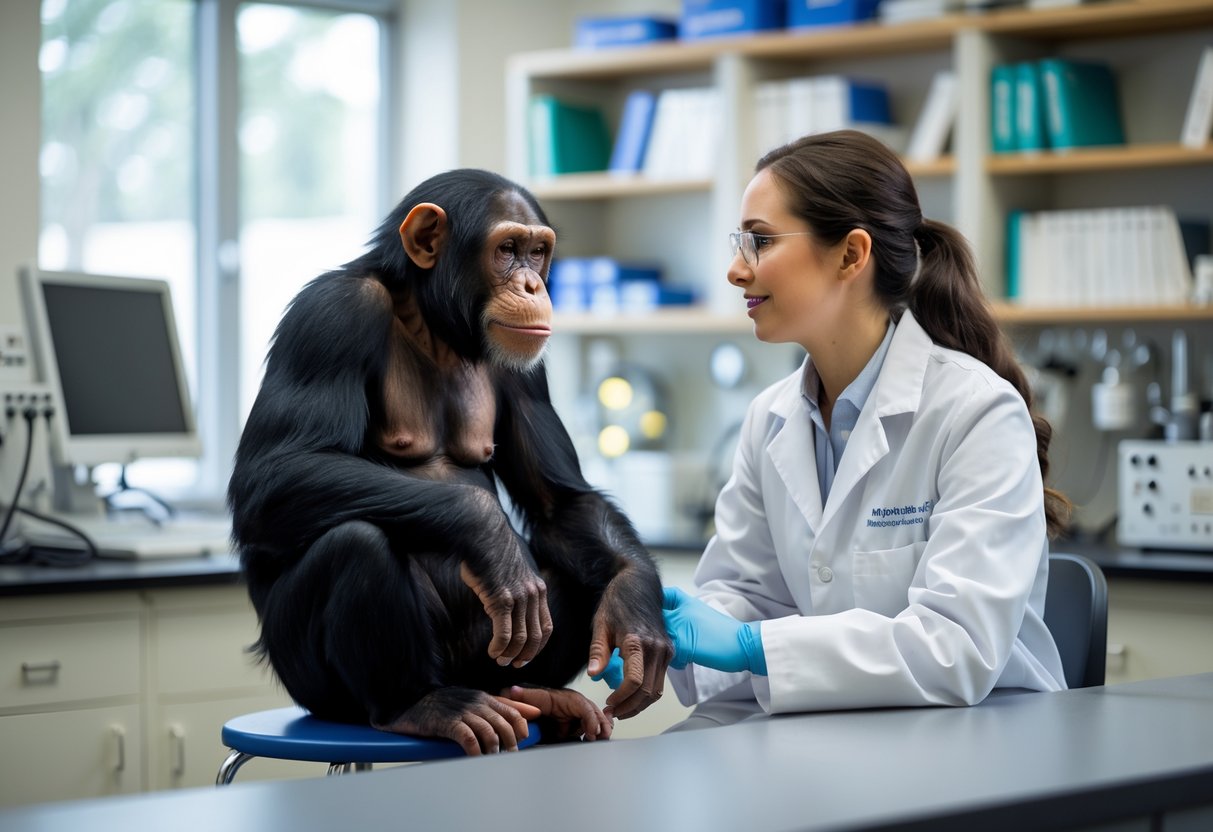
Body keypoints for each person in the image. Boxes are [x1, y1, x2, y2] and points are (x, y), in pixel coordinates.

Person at [661, 129, 1071, 723]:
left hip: (978, 741)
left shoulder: (977, 411)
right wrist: (665, 641)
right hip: (829, 737)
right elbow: (746, 596)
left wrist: (753, 647)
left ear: (852, 254)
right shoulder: (768, 419)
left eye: (760, 241)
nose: (735, 270)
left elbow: (955, 649)